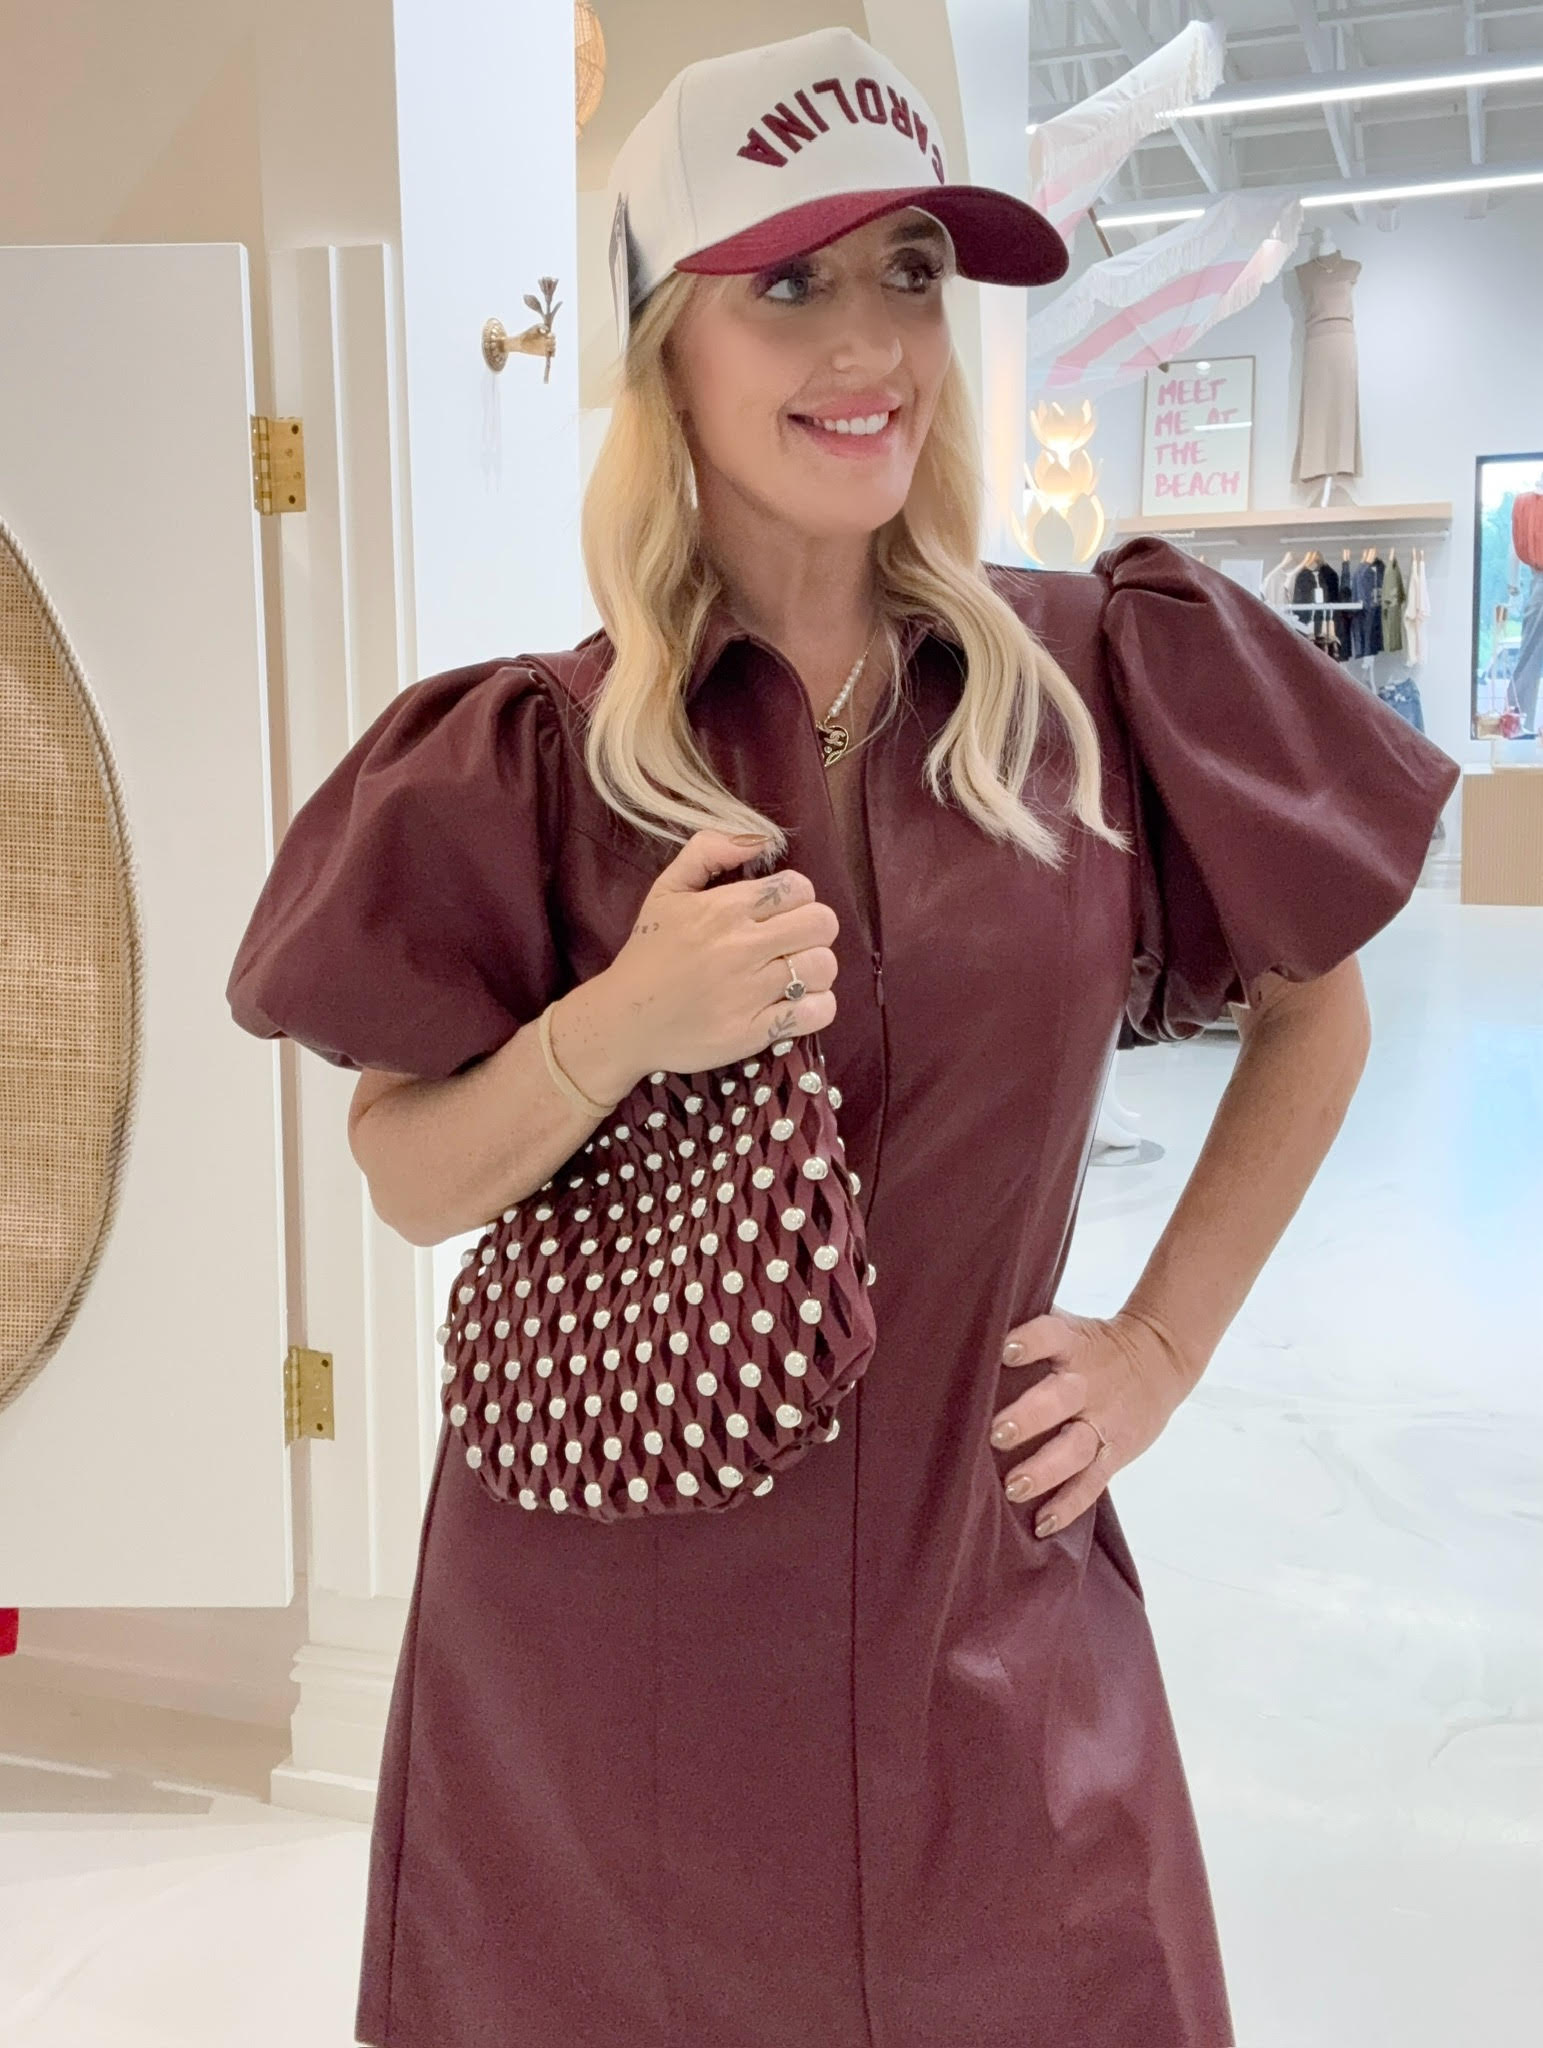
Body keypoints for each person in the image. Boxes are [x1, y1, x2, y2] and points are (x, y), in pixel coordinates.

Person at [226, 27, 1460, 2048]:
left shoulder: (1090, 682)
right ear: (664, 346)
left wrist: (1158, 1346)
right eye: (787, 283)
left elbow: (1320, 1007)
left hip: (982, 1605)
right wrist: (621, 1024)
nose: (868, 338)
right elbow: (402, 1164)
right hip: (604, 1657)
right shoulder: (535, 754)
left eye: (905, 271)